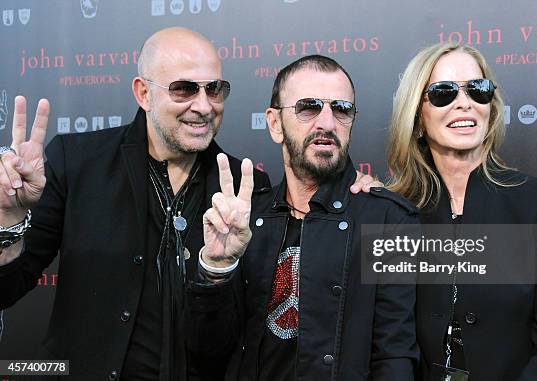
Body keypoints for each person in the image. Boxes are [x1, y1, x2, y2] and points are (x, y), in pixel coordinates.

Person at [0, 28, 377, 380]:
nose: (203, 105)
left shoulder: (246, 190)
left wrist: (355, 191)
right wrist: (9, 220)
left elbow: (244, 331)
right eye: (183, 89)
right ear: (143, 93)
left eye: (214, 89)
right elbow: (7, 288)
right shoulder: (78, 161)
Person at [187, 55, 420, 380]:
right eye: (308, 107)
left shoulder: (387, 222)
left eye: (341, 109)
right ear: (274, 123)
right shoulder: (244, 220)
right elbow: (207, 354)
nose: (327, 122)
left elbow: (395, 357)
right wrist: (216, 269)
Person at [386, 42, 537, 380]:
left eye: (477, 90)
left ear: (490, 107)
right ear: (417, 117)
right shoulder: (392, 212)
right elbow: (384, 345)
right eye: (443, 93)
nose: (464, 103)